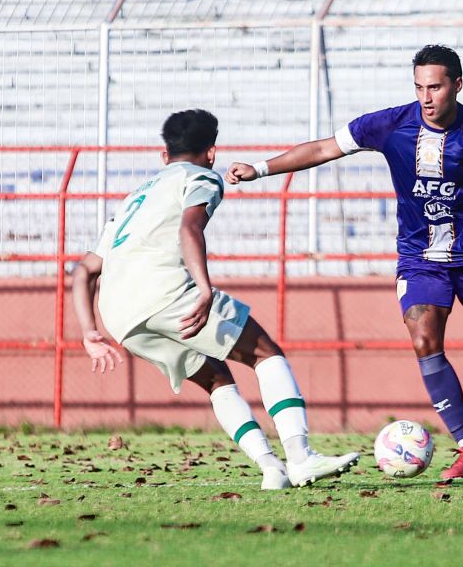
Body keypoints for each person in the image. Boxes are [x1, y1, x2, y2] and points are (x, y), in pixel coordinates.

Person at [227, 44, 463, 479]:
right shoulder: (390, 124)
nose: (426, 96)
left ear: (457, 86)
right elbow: (323, 149)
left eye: (436, 87)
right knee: (424, 339)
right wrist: (259, 169)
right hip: (420, 257)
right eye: (419, 86)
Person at [71, 109, 359, 490]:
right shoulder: (202, 177)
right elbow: (191, 228)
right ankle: (301, 457)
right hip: (165, 292)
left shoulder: (133, 198)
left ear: (164, 155)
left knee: (216, 379)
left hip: (119, 316)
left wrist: (90, 333)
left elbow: (83, 270)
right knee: (264, 354)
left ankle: (272, 469)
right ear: (211, 153)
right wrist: (204, 288)